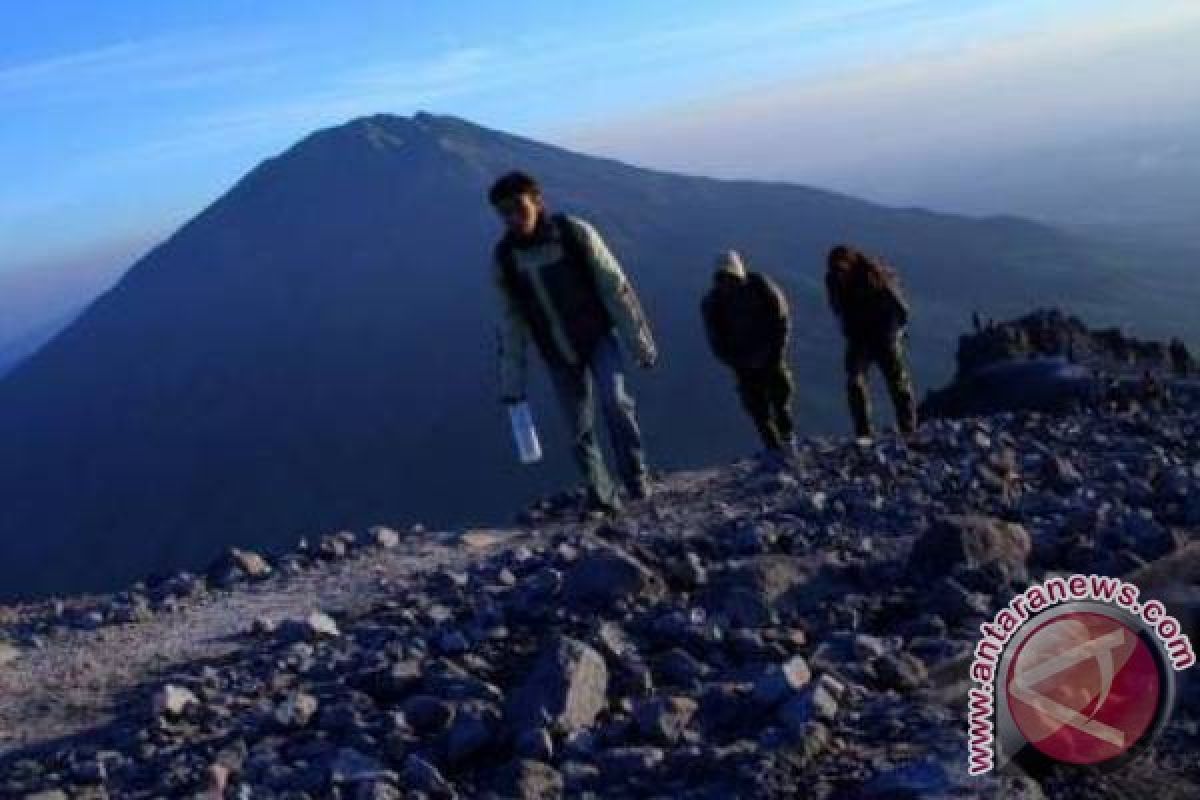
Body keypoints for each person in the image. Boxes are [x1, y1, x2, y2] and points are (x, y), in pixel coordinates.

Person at [489, 171, 658, 515]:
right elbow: (511, 323)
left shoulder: (573, 234)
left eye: (518, 208)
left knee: (615, 403)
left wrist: (639, 342)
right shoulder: (506, 260)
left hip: (595, 338)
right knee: (578, 429)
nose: (512, 219)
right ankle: (603, 496)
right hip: (556, 352)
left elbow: (615, 287)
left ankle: (634, 477)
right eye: (504, 213)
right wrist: (512, 384)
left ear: (537, 202)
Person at [701, 250, 796, 461]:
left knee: (781, 396)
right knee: (757, 408)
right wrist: (739, 363)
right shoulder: (713, 304)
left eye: (730, 277)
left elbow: (781, 318)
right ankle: (774, 448)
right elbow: (717, 343)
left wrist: (777, 351)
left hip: (770, 354)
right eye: (722, 278)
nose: (727, 283)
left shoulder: (761, 287)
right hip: (743, 362)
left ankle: (788, 437)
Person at [825, 244, 918, 438]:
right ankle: (863, 431)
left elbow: (900, 307)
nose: (839, 274)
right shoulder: (833, 281)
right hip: (858, 336)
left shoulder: (873, 277)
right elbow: (839, 309)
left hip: (883, 334)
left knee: (896, 382)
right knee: (855, 382)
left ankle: (908, 428)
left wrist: (897, 332)